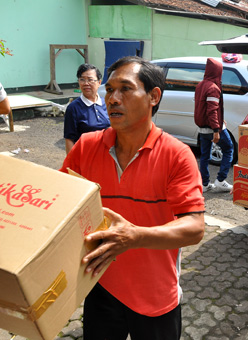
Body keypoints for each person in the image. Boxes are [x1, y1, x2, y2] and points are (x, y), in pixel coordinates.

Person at [60, 56, 205, 340]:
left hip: (155, 295)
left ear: (153, 96)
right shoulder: (86, 147)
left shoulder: (176, 155)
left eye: (125, 89)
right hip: (100, 286)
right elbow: (60, 202)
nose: (112, 98)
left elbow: (195, 227)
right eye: (110, 89)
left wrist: (135, 236)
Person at [194, 58, 234, 192]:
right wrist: (217, 129)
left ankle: (205, 184)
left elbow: (207, 109)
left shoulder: (200, 85)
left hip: (202, 129)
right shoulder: (213, 88)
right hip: (213, 128)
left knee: (205, 156)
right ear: (217, 72)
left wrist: (220, 120)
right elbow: (211, 111)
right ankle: (221, 180)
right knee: (229, 149)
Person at [64, 63, 110, 154]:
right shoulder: (73, 108)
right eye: (82, 80)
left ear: (99, 83)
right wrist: (71, 164)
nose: (86, 83)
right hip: (86, 157)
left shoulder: (107, 104)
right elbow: (69, 139)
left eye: (90, 80)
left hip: (108, 156)